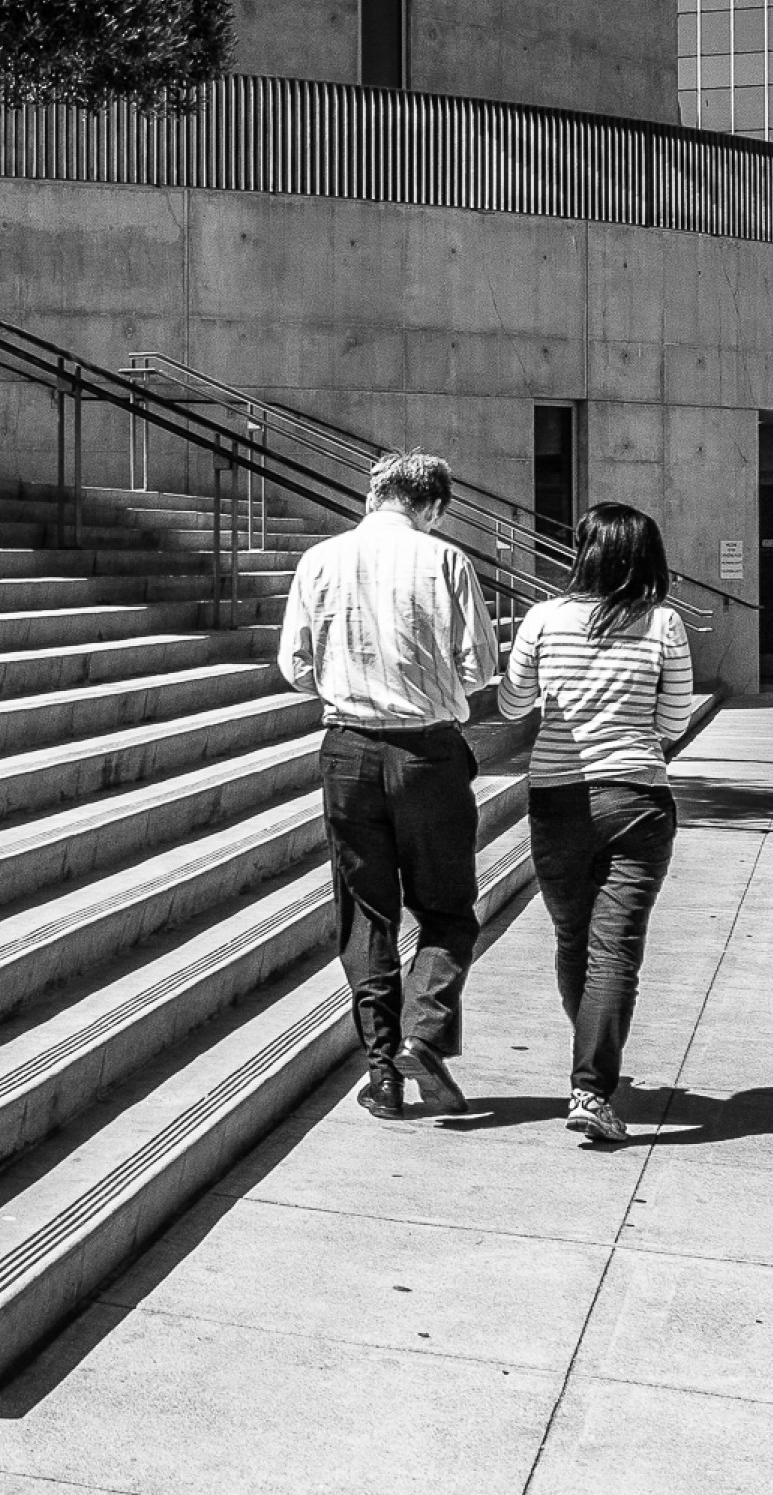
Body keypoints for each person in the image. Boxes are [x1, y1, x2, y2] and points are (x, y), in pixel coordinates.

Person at [278, 449, 500, 1119]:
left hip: (346, 750)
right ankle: (423, 1036)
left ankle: (382, 1075)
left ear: (374, 495)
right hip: (426, 751)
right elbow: (481, 666)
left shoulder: (319, 560)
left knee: (365, 913)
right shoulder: (443, 560)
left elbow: (294, 664)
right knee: (446, 908)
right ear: (432, 505)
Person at [503, 501, 695, 1150]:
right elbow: (673, 724)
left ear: (583, 552)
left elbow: (510, 703)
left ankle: (590, 1058)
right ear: (645, 557)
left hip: (556, 799)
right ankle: (591, 1086)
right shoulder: (663, 624)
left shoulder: (541, 620)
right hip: (637, 799)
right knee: (615, 950)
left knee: (571, 939)